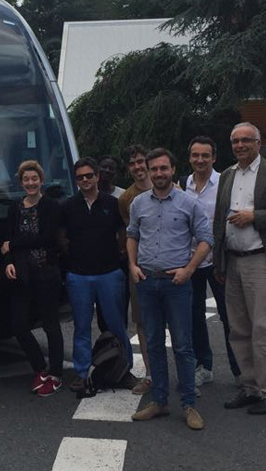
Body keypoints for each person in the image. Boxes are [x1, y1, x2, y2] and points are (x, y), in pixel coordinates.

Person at [213, 122, 266, 415]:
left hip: (261, 260)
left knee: (265, 329)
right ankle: (250, 387)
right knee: (238, 330)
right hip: (233, 259)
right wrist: (219, 260)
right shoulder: (227, 175)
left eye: (246, 140)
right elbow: (218, 221)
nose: (240, 146)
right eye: (235, 141)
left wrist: (255, 217)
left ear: (258, 143)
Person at [127, 148, 212, 431]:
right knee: (152, 343)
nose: (159, 173)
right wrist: (132, 265)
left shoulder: (189, 203)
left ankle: (189, 404)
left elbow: (205, 240)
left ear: (173, 169)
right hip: (148, 282)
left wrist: (189, 269)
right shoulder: (139, 203)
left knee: (183, 346)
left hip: (177, 284)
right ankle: (160, 401)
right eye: (154, 169)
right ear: (149, 172)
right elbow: (132, 235)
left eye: (164, 168)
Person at [59, 158, 135, 392]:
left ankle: (124, 370)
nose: (85, 180)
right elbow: (62, 238)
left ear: (97, 177)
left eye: (89, 176)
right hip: (79, 275)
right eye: (80, 177)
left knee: (116, 325)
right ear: (76, 180)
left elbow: (124, 231)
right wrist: (72, 260)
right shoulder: (68, 206)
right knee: (81, 327)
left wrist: (120, 252)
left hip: (109, 273)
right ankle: (81, 373)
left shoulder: (112, 203)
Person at [1, 160, 64, 396]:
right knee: (18, 323)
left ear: (41, 180)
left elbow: (47, 238)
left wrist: (13, 244)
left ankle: (56, 373)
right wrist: (8, 262)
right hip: (21, 274)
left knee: (50, 325)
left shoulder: (51, 206)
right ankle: (40, 367)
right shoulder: (14, 208)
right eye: (26, 179)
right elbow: (6, 241)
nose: (30, 183)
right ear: (21, 182)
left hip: (46, 272)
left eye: (34, 178)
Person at [182, 137, 240, 388]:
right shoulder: (185, 183)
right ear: (190, 158)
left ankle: (240, 372)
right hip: (192, 261)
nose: (200, 160)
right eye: (195, 155)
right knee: (195, 317)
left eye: (205, 155)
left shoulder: (225, 182)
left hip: (218, 261)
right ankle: (204, 367)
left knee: (230, 318)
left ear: (214, 158)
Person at [117, 145, 153, 394]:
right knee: (142, 322)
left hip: (170, 267)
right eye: (132, 164)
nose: (138, 167)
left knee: (178, 322)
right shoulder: (126, 198)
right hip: (140, 268)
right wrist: (132, 265)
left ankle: (188, 375)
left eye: (141, 161)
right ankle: (151, 374)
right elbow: (130, 234)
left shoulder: (172, 187)